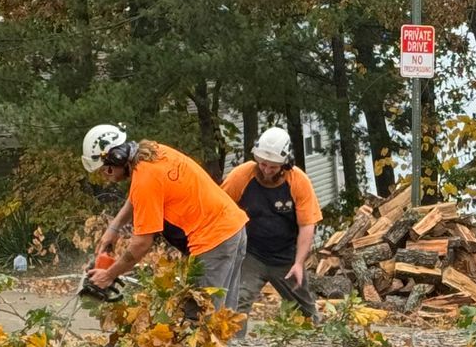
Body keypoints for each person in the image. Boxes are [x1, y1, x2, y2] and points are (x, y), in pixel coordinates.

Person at [83, 125, 253, 312]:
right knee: (224, 313)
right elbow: (137, 196)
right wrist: (113, 229)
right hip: (232, 228)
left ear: (114, 160)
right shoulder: (154, 152)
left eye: (105, 171)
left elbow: (141, 244)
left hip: (212, 240)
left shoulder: (145, 180)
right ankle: (234, 342)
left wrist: (108, 274)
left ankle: (226, 341)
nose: (106, 177)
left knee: (199, 317)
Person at [220, 127, 323, 320]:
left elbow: (307, 225)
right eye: (263, 164)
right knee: (237, 302)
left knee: (306, 312)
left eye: (273, 167)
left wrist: (299, 263)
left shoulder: (298, 181)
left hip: (286, 257)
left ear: (285, 164)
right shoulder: (241, 176)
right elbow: (220, 210)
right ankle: (232, 346)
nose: (266, 170)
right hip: (251, 253)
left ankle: (314, 343)